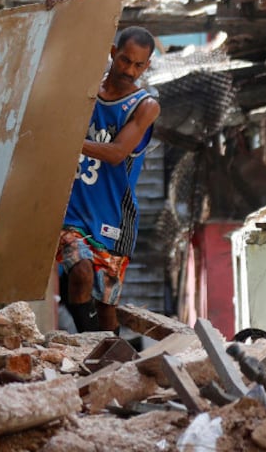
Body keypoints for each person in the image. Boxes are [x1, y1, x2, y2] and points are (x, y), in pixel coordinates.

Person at [56, 26, 161, 333]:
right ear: (113, 54)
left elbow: (116, 153)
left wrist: (67, 140)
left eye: (138, 65)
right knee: (81, 272)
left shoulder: (145, 106)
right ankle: (90, 343)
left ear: (147, 65)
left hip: (113, 212)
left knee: (106, 306)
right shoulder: (85, 92)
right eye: (125, 61)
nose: (130, 70)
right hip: (71, 208)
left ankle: (108, 359)